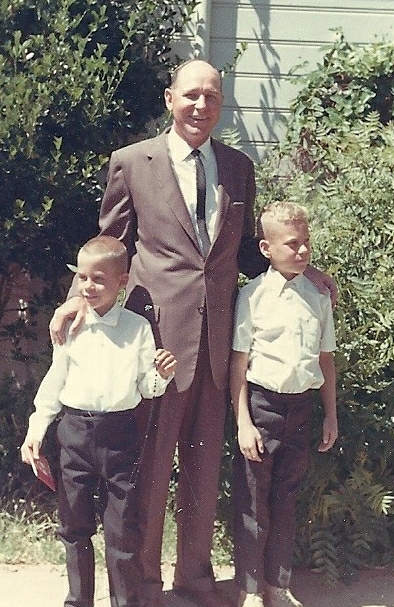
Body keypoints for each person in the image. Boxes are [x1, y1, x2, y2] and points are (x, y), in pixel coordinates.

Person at [49, 60, 336, 607]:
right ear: (169, 98)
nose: (201, 106)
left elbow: (250, 254)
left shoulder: (236, 167)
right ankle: (146, 588)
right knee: (152, 472)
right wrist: (75, 302)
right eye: (191, 96)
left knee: (204, 473)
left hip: (218, 343)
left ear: (221, 103)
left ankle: (194, 584)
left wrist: (307, 271)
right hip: (156, 345)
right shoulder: (132, 163)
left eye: (211, 96)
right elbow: (110, 248)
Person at [21, 235, 177, 607]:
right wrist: (35, 430)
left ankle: (126, 601)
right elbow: (54, 383)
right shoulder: (71, 326)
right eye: (83, 278)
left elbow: (147, 389)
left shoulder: (137, 328)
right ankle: (79, 601)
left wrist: (162, 374)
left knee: (122, 531)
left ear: (122, 281)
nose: (88, 287)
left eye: (99, 279)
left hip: (120, 436)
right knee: (74, 528)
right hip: (73, 434)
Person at [230, 201, 338, 607]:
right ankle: (250, 589)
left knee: (286, 501)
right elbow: (239, 363)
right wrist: (243, 421)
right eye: (293, 244)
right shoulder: (252, 296)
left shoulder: (318, 297)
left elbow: (325, 359)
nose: (303, 252)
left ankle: (278, 586)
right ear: (266, 248)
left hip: (301, 409)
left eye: (307, 243)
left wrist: (330, 414)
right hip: (262, 408)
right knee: (253, 505)